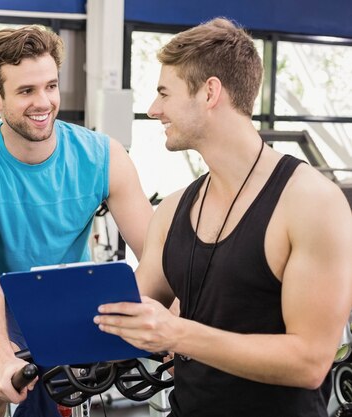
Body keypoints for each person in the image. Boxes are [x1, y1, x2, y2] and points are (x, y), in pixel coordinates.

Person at [94, 17, 352, 417]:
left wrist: (178, 333)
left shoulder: (311, 203)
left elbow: (309, 362)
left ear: (210, 92)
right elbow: (130, 311)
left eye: (164, 93)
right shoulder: (174, 210)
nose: (153, 109)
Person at [0, 25, 153, 417]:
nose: (44, 102)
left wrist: (173, 320)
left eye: (51, 86)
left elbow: (155, 251)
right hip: (5, 299)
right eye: (26, 91)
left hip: (72, 297)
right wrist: (1, 353)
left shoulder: (103, 154)